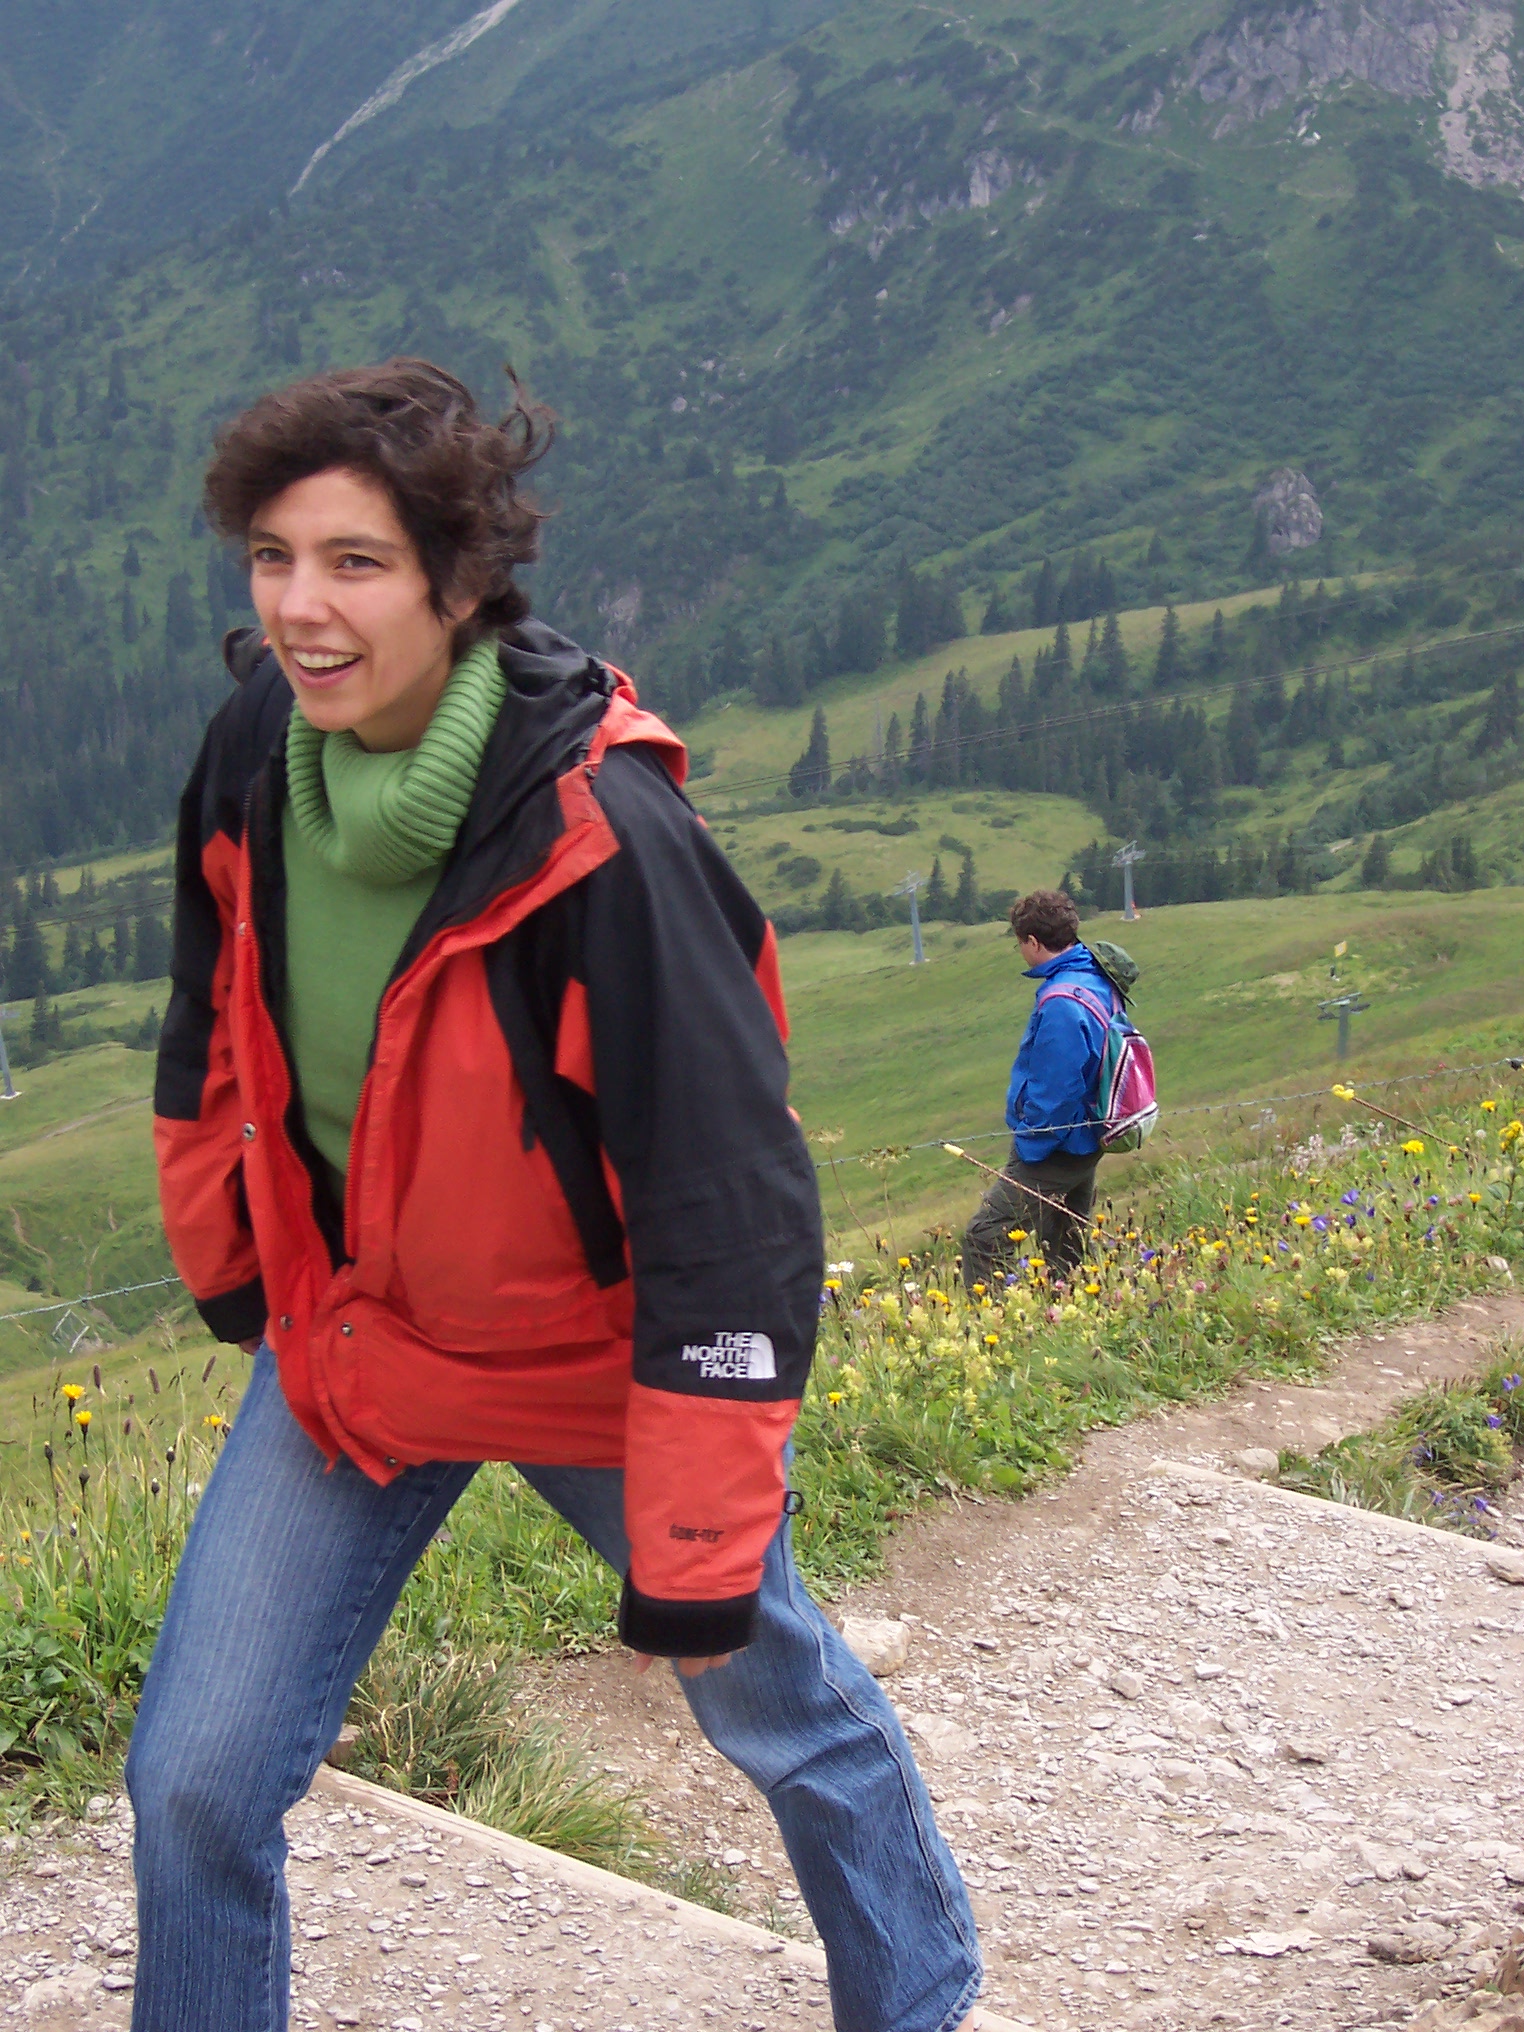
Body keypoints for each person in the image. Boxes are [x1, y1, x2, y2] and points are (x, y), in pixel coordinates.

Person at [129, 358, 982, 2032]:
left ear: (457, 583)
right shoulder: (256, 750)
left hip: (588, 1367)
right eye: (272, 558)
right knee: (195, 1779)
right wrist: (233, 1264)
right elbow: (206, 1015)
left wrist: (698, 1540)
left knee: (777, 1707)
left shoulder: (602, 835)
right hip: (355, 1350)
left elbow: (729, 1203)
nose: (300, 607)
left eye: (355, 562)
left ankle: (917, 1996)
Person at [962, 888, 1114, 1288]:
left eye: (1020, 943)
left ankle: (994, 1320)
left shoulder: (1061, 1001)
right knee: (1065, 1239)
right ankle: (1074, 1306)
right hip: (1089, 1134)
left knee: (985, 1238)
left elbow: (1058, 1090)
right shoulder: (1094, 977)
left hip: (1058, 1145)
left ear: (1032, 942)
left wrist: (1030, 1146)